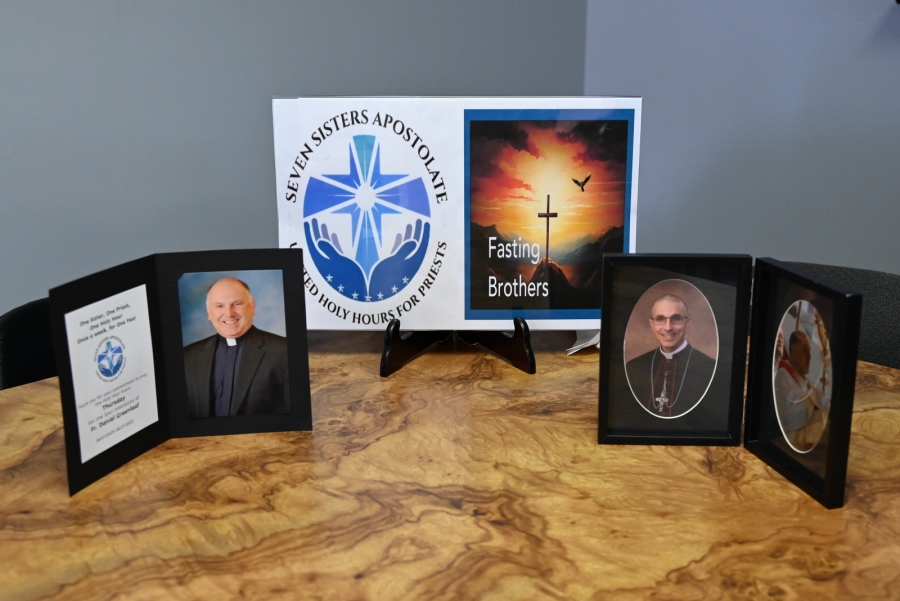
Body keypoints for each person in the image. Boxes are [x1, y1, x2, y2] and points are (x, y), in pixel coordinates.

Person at [183, 277, 289, 419]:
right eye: (219, 306)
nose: (229, 313)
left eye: (237, 303)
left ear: (252, 306)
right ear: (209, 312)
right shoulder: (188, 356)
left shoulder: (284, 351)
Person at [625, 294, 716, 418]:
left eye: (676, 318)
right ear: (652, 324)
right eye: (660, 319)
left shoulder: (710, 368)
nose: (668, 327)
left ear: (687, 322)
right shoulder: (634, 367)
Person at [773, 330, 830, 451]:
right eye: (805, 350)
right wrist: (818, 403)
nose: (809, 357)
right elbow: (790, 407)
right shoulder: (782, 373)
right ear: (793, 350)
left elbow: (818, 395)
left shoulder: (803, 379)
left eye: (809, 351)